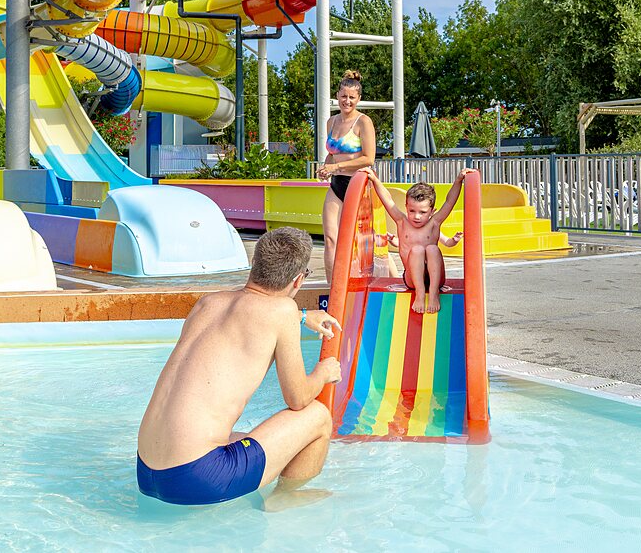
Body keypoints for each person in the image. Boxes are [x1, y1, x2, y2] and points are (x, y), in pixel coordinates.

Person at [137, 227, 343, 509]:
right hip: (198, 480)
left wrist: (304, 315)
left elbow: (248, 310)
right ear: (298, 280)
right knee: (317, 417)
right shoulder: (281, 311)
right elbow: (298, 399)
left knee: (243, 438)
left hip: (148, 473)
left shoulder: (207, 304)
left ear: (254, 265)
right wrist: (324, 371)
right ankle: (284, 498)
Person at [364, 168, 468, 314]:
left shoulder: (435, 223)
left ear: (432, 211)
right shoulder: (402, 222)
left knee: (432, 249)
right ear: (406, 207)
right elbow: (388, 200)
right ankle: (420, 293)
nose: (416, 216)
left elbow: (449, 201)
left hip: (435, 278)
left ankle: (433, 294)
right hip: (412, 278)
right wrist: (375, 180)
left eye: (423, 212)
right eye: (412, 211)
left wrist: (458, 181)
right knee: (417, 250)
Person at [317, 70, 376, 273]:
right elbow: (332, 154)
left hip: (358, 184)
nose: (347, 101)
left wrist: (335, 167)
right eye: (343, 96)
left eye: (352, 97)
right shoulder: (331, 122)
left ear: (359, 99)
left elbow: (369, 158)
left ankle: (388, 278)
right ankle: (333, 290)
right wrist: (326, 167)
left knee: (364, 241)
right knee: (330, 238)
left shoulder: (363, 122)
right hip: (337, 184)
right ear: (337, 95)